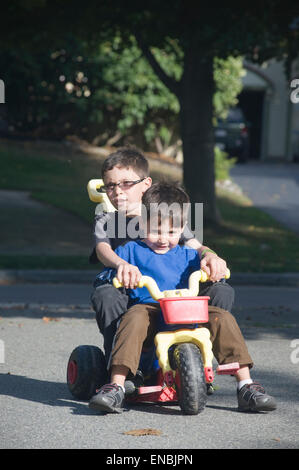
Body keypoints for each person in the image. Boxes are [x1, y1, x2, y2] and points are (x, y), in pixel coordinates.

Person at [89, 182, 277, 414]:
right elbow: (111, 272)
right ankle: (116, 385)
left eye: (172, 232)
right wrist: (123, 271)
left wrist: (213, 266)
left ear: (184, 228)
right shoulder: (130, 251)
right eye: (156, 230)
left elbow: (208, 268)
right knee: (134, 315)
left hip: (187, 310)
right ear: (141, 223)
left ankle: (246, 385)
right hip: (151, 311)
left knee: (222, 318)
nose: (164, 239)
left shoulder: (190, 256)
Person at [90, 146, 234, 365]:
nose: (118, 191)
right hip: (132, 287)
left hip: (173, 285)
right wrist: (122, 265)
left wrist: (211, 256)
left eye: (126, 183)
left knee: (221, 291)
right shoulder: (106, 220)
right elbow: (103, 250)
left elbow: (196, 245)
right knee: (106, 296)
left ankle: (199, 356)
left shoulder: (164, 214)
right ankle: (120, 362)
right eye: (110, 186)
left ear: (146, 184)